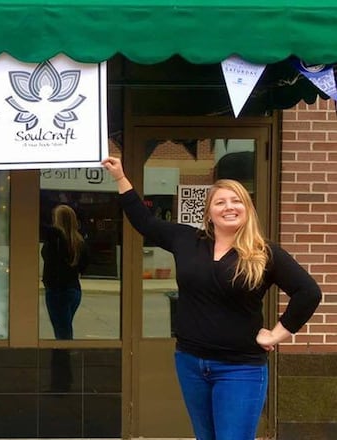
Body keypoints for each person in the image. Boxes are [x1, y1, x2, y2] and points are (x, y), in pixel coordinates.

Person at [101, 156, 321, 440]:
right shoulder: (187, 240)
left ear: (247, 209)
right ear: (208, 213)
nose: (229, 206)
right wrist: (120, 177)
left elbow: (308, 292)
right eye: (220, 202)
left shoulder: (265, 253)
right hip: (190, 362)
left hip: (240, 368)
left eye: (236, 201)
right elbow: (144, 221)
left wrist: (277, 333)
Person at [41, 204, 89, 340]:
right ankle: (63, 351)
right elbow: (84, 265)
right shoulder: (79, 241)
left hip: (56, 290)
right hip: (74, 288)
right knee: (64, 327)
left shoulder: (55, 239)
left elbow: (49, 259)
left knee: (62, 332)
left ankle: (64, 353)